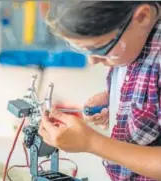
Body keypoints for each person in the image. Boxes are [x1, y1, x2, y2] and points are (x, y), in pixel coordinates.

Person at [38, 1, 161, 181]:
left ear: (142, 17)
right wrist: (115, 101)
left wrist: (92, 142)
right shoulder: (130, 45)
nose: (92, 61)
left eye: (100, 47)